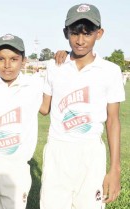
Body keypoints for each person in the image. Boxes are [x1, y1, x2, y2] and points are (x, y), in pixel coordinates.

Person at [39, 3, 125, 209]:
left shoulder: (110, 70)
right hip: (57, 150)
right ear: (65, 33)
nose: (80, 40)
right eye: (74, 33)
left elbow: (113, 121)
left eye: (87, 34)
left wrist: (115, 170)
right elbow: (43, 108)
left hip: (91, 153)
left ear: (99, 33)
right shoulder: (54, 66)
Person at [0, 34, 44, 209]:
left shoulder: (34, 85)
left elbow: (61, 73)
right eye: (0, 59)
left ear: (24, 61)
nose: (7, 65)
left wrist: (63, 53)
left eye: (14, 59)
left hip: (18, 165)